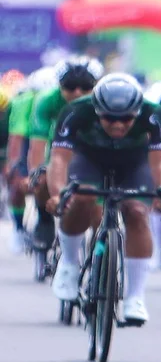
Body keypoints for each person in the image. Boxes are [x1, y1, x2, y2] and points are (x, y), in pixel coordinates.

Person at [46, 74, 161, 323]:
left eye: (126, 119)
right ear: (96, 110)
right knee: (80, 197)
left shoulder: (154, 114)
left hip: (133, 164)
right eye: (109, 118)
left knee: (137, 212)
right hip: (89, 161)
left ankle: (135, 297)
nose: (117, 125)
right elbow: (59, 159)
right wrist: (58, 194)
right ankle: (69, 264)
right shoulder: (76, 110)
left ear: (137, 112)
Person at [28, 56, 104, 251]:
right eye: (70, 86)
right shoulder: (46, 100)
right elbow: (37, 144)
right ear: (59, 85)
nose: (77, 92)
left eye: (85, 87)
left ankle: (100, 251)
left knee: (98, 211)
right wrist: (35, 173)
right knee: (42, 178)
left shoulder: (104, 101)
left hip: (92, 153)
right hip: (59, 151)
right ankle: (44, 220)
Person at [5, 67, 57, 252]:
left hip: (56, 140)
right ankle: (19, 228)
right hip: (30, 140)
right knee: (19, 184)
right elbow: (17, 138)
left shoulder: (61, 100)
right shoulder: (23, 102)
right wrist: (13, 166)